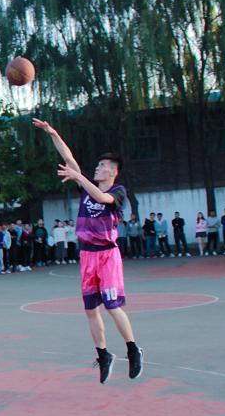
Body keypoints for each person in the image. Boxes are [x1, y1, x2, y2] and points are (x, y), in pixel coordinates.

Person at [34, 118, 144, 384]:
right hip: (87, 255)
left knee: (112, 306)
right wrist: (52, 133)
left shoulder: (118, 191)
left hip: (107, 255)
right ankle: (103, 355)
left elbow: (103, 198)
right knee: (91, 309)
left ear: (113, 171)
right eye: (97, 165)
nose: (97, 167)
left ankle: (133, 349)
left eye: (102, 166)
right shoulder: (85, 186)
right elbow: (68, 157)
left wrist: (79, 177)